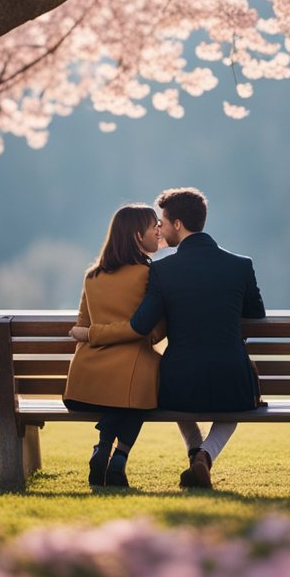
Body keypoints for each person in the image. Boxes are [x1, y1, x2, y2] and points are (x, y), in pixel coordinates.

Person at [78, 187, 265, 490]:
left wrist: (92, 333)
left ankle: (194, 450)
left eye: (162, 222)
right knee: (238, 406)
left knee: (168, 386)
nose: (160, 229)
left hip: (179, 384)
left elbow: (141, 324)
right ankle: (204, 455)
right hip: (233, 381)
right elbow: (255, 313)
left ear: (177, 224)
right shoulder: (240, 265)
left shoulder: (163, 270)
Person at [63, 204, 166, 488]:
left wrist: (95, 334)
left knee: (127, 390)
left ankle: (102, 445)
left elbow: (82, 328)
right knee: (142, 384)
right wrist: (136, 335)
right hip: (131, 386)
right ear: (136, 235)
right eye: (153, 226)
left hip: (84, 386)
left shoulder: (92, 276)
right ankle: (119, 455)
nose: (158, 231)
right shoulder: (150, 275)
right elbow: (154, 332)